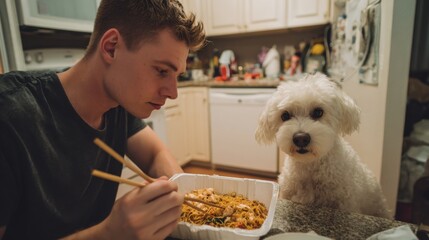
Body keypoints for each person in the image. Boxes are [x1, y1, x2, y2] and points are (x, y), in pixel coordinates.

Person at [0, 0, 206, 239]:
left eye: (177, 75)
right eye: (161, 71)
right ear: (111, 47)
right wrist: (110, 233)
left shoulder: (117, 102)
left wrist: (180, 197)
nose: (173, 92)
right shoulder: (9, 117)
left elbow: (155, 155)